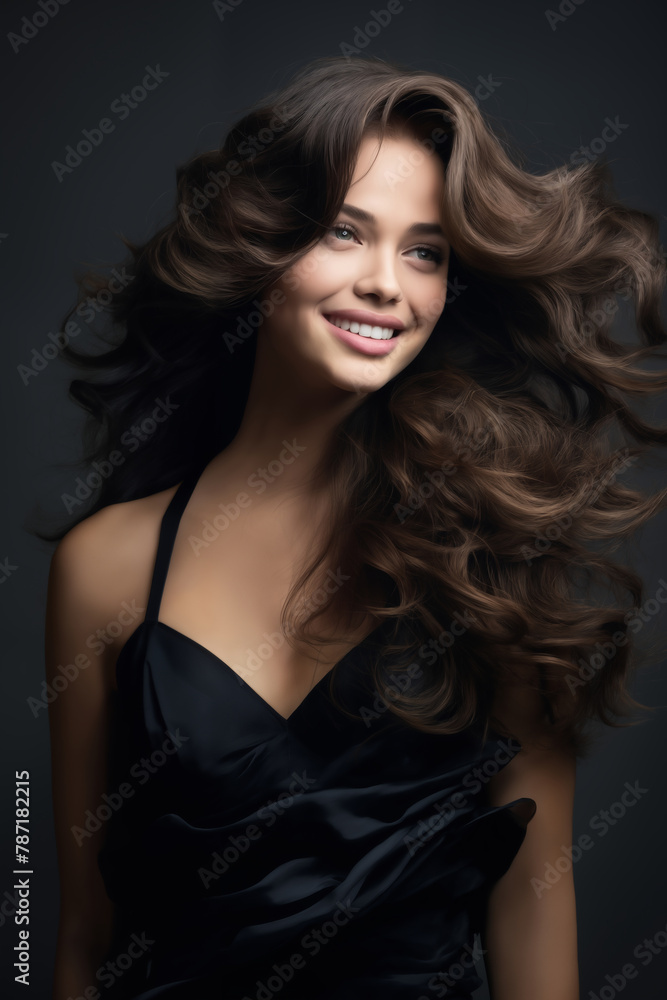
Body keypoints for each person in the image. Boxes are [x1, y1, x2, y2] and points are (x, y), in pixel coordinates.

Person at [43, 54, 667, 1000]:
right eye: (344, 231)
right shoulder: (106, 567)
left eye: (425, 252)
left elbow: (532, 905)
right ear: (260, 243)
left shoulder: (491, 558)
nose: (386, 283)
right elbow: (79, 932)